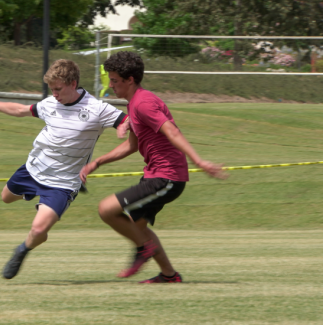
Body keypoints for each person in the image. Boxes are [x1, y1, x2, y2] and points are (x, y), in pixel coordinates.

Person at [0, 59, 130, 279]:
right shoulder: (49, 104)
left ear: (73, 83)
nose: (54, 94)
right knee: (6, 197)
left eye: (58, 89)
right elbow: (19, 110)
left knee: (38, 230)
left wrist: (125, 125)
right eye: (51, 89)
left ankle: (22, 250)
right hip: (33, 169)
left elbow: (128, 120)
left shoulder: (97, 109)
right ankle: (37, 207)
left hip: (63, 183)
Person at [79, 51, 227, 283]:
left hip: (167, 177)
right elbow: (131, 146)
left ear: (130, 80)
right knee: (139, 226)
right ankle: (169, 275)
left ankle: (143, 249)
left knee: (107, 209)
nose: (111, 85)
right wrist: (97, 163)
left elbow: (172, 131)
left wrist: (198, 161)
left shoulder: (144, 103)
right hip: (156, 175)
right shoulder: (135, 104)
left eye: (115, 80)